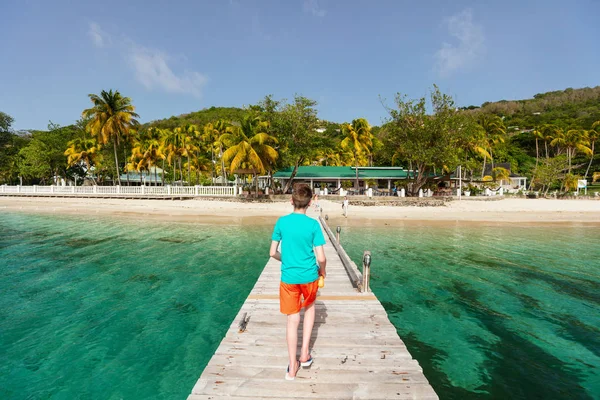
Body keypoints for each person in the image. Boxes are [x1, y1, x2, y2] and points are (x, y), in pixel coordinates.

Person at [269, 183, 327, 380]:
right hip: (310, 276)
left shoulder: (282, 222)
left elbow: (272, 252)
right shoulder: (313, 225)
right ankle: (304, 355)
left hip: (289, 278)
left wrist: (286, 259)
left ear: (291, 200)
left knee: (292, 320)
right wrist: (323, 272)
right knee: (309, 309)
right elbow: (321, 257)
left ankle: (292, 367)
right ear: (310, 203)